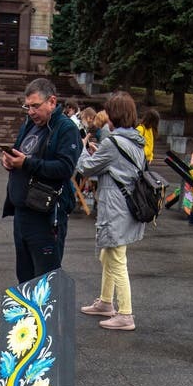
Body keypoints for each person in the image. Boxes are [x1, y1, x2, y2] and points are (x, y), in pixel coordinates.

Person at [76, 90, 145, 331]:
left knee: (116, 259)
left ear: (114, 115)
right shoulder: (136, 140)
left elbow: (85, 168)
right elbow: (118, 169)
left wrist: (82, 147)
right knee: (109, 255)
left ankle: (125, 314)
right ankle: (106, 302)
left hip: (115, 209)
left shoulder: (114, 143)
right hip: (127, 207)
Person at [1, 77, 82, 283]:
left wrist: (26, 163)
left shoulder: (66, 128)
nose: (30, 112)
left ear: (52, 102)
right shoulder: (29, 123)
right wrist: (9, 160)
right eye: (27, 106)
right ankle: (29, 317)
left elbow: (64, 168)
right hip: (22, 212)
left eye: (35, 106)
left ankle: (46, 317)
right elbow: (21, 151)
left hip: (47, 215)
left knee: (45, 282)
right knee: (25, 278)